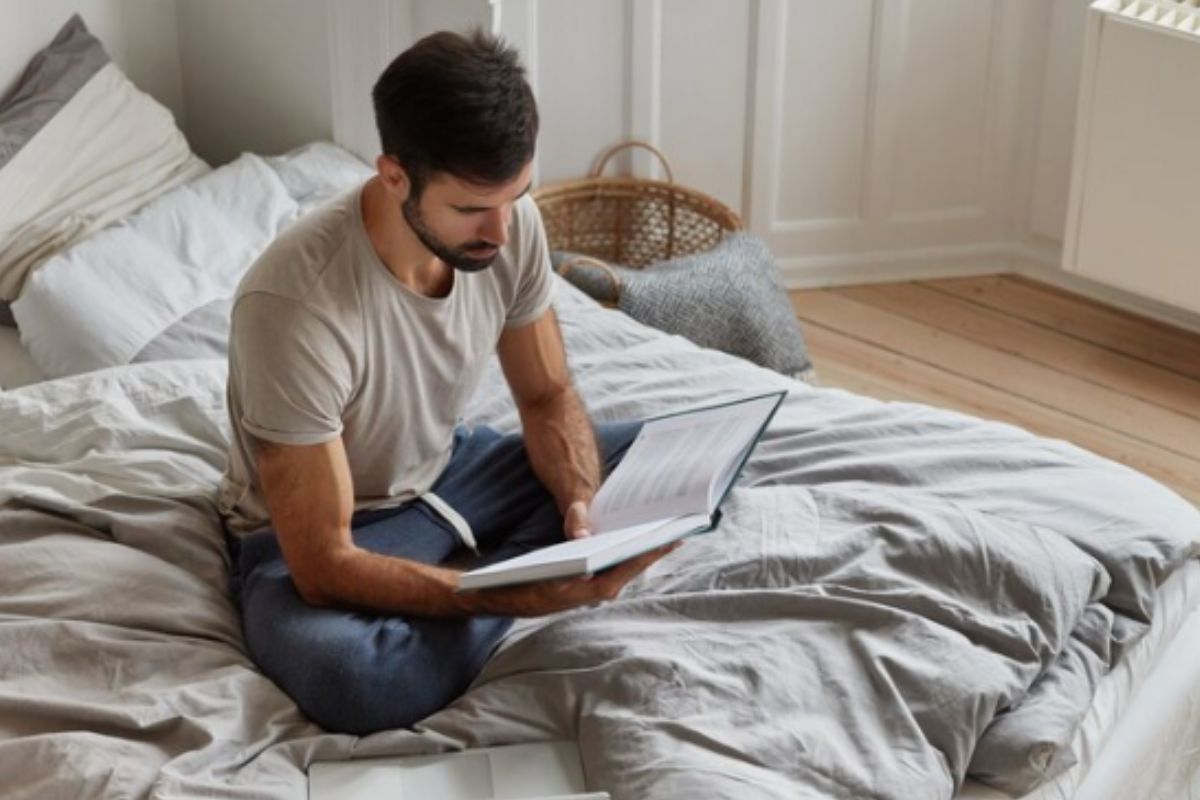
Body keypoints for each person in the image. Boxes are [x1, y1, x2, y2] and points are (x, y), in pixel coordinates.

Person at [216, 29, 675, 735]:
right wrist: (514, 598)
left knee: (667, 456)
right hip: (316, 540)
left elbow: (547, 397)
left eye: (515, 195)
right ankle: (515, 579)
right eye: (469, 209)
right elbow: (324, 562)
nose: (502, 228)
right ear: (394, 175)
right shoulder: (293, 306)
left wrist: (580, 503)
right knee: (353, 679)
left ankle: (524, 565)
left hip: (449, 476)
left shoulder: (510, 224)